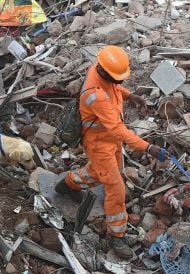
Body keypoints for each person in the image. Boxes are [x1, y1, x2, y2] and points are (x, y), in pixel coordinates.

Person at [56, 45, 167, 259]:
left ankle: (68, 184)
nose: (121, 82)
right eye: (118, 78)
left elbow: (113, 89)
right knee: (115, 188)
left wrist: (129, 95)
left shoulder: (99, 70)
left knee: (103, 173)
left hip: (109, 141)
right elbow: (117, 128)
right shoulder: (95, 96)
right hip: (99, 144)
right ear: (104, 71)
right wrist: (148, 147)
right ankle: (117, 235)